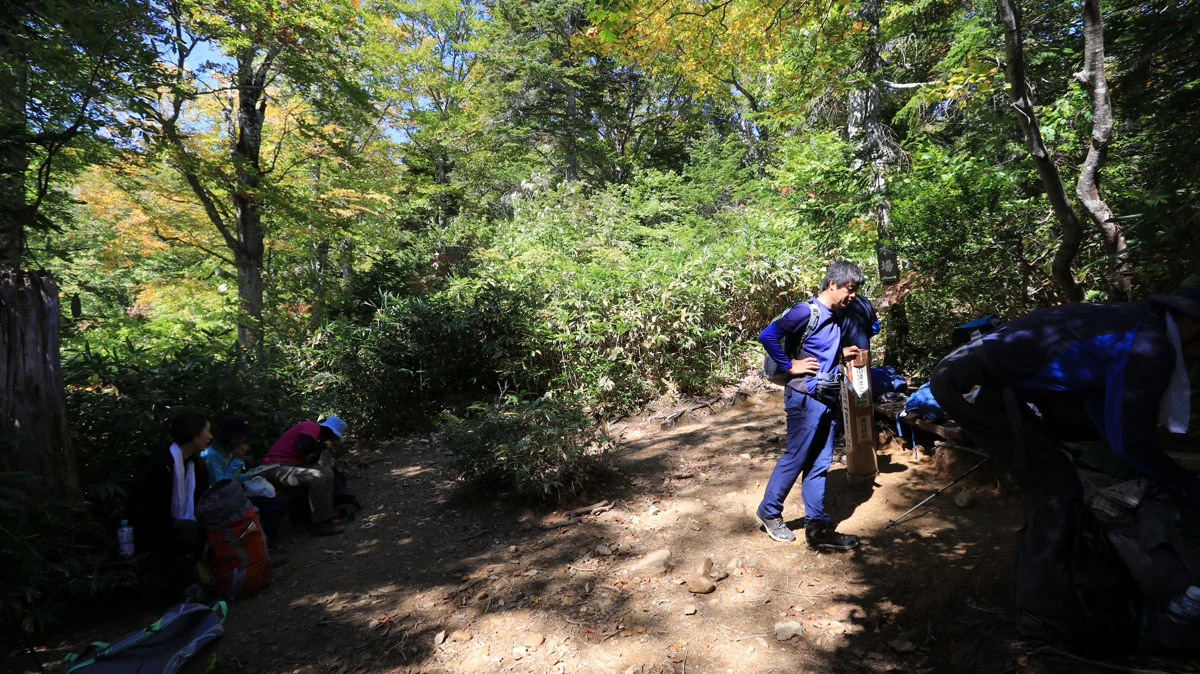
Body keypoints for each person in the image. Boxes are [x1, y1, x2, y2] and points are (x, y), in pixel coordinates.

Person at [929, 273, 1200, 640]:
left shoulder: (1136, 321)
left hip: (980, 376)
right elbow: (1131, 441)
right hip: (975, 383)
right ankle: (1044, 614)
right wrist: (1184, 485)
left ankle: (1077, 581)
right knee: (1055, 489)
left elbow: (1099, 403)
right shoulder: (1150, 342)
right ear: (1192, 323)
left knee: (1061, 476)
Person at [754, 260, 866, 550]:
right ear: (833, 284)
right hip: (805, 397)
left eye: (855, 291)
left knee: (819, 462)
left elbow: (818, 349)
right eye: (849, 289)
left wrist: (841, 353)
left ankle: (817, 529)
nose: (852, 296)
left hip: (826, 395)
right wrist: (789, 365)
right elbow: (767, 336)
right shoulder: (806, 310)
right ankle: (768, 512)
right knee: (797, 456)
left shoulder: (835, 314)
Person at [125, 409, 213, 600]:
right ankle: (188, 588)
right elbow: (147, 510)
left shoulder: (196, 466)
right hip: (154, 527)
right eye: (207, 431)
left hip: (180, 524)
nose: (210, 436)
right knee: (189, 532)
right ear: (194, 434)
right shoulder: (159, 465)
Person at [200, 416, 289, 551]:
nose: (243, 441)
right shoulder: (212, 456)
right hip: (221, 503)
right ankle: (265, 548)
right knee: (269, 507)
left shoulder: (229, 452)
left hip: (234, 496)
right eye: (239, 437)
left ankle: (268, 544)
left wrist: (254, 474)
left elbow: (235, 478)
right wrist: (237, 461)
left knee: (279, 502)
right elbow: (222, 486)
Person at [259, 416, 348, 536]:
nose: (332, 440)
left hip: (290, 466)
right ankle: (321, 524)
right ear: (329, 431)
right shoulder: (311, 426)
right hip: (274, 467)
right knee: (316, 476)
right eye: (333, 437)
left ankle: (327, 516)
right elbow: (304, 446)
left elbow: (308, 456)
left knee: (327, 472)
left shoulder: (316, 437)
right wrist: (323, 445)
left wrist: (320, 447)